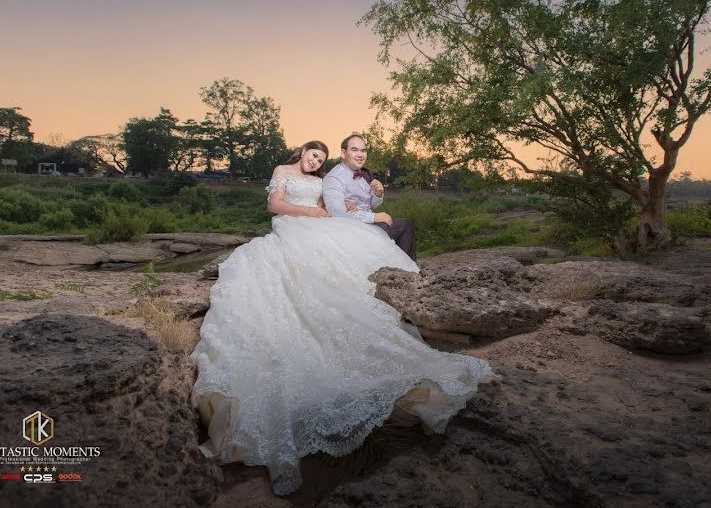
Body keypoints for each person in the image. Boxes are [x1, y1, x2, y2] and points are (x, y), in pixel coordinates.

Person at [189, 140, 493, 496]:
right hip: (290, 225)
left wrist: (349, 206)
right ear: (301, 153)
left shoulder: (322, 181)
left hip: (320, 224)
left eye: (320, 158)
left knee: (345, 254)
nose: (315, 161)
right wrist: (313, 213)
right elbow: (274, 205)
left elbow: (330, 207)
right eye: (312, 155)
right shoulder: (283, 172)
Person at [323, 134, 417, 260]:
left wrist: (377, 194)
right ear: (343, 153)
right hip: (351, 228)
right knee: (404, 226)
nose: (360, 155)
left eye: (363, 151)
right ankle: (405, 270)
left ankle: (404, 269)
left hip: (365, 222)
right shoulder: (335, 177)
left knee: (406, 225)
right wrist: (374, 217)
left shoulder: (363, 175)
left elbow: (370, 204)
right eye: (354, 150)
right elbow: (336, 212)